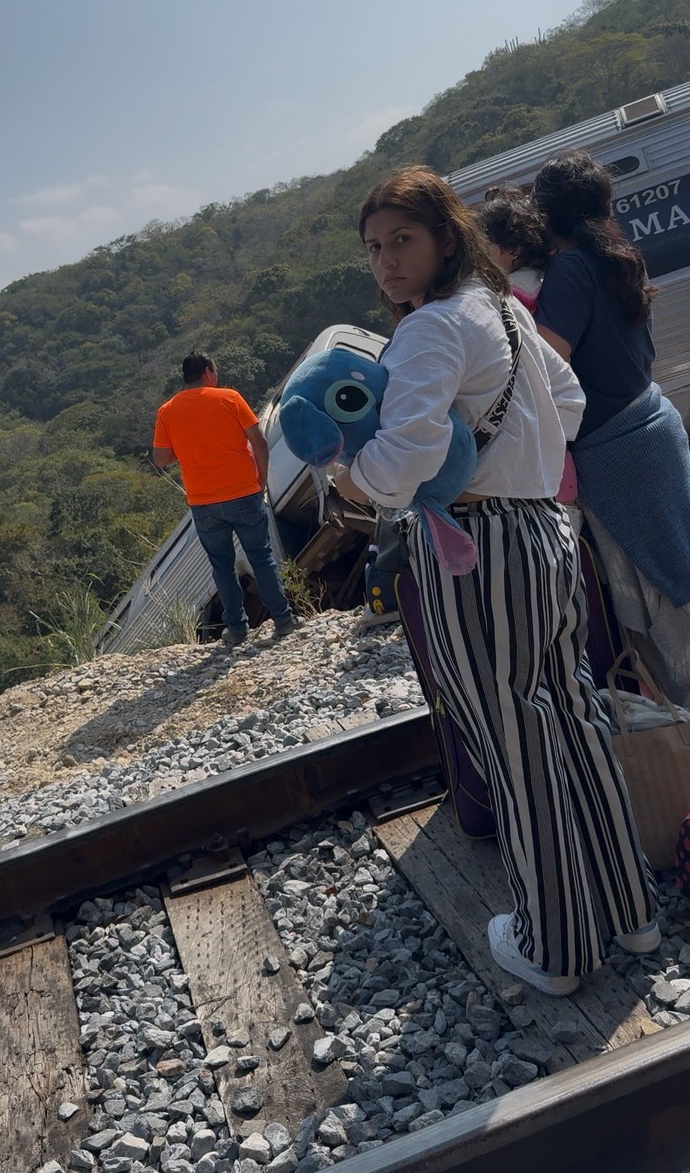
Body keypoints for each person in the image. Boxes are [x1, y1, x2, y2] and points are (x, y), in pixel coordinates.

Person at [333, 165, 658, 997]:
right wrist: (522, 458)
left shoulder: (429, 329)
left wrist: (351, 481)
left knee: (515, 739)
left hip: (477, 546)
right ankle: (629, 910)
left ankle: (554, 943)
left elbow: (401, 463)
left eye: (402, 239)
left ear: (446, 234)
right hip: (546, 527)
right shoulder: (505, 306)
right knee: (573, 711)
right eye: (374, 247)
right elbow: (572, 400)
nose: (386, 262)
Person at [533, 151, 690, 708]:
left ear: (546, 213)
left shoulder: (572, 268)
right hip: (654, 426)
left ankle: (680, 726)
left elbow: (545, 365)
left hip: (617, 453)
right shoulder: (620, 257)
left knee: (661, 597)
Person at [151, 352, 297, 645]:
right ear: (207, 372)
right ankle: (283, 620)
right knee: (261, 557)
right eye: (214, 371)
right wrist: (262, 478)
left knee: (222, 566)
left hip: (203, 502)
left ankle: (238, 629)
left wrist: (188, 444)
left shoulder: (167, 411)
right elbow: (258, 439)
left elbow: (161, 459)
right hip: (243, 492)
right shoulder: (229, 398)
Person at [478, 188, 579, 514]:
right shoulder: (539, 281)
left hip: (534, 433)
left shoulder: (511, 295)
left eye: (483, 243)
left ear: (513, 249)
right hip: (555, 438)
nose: (477, 253)